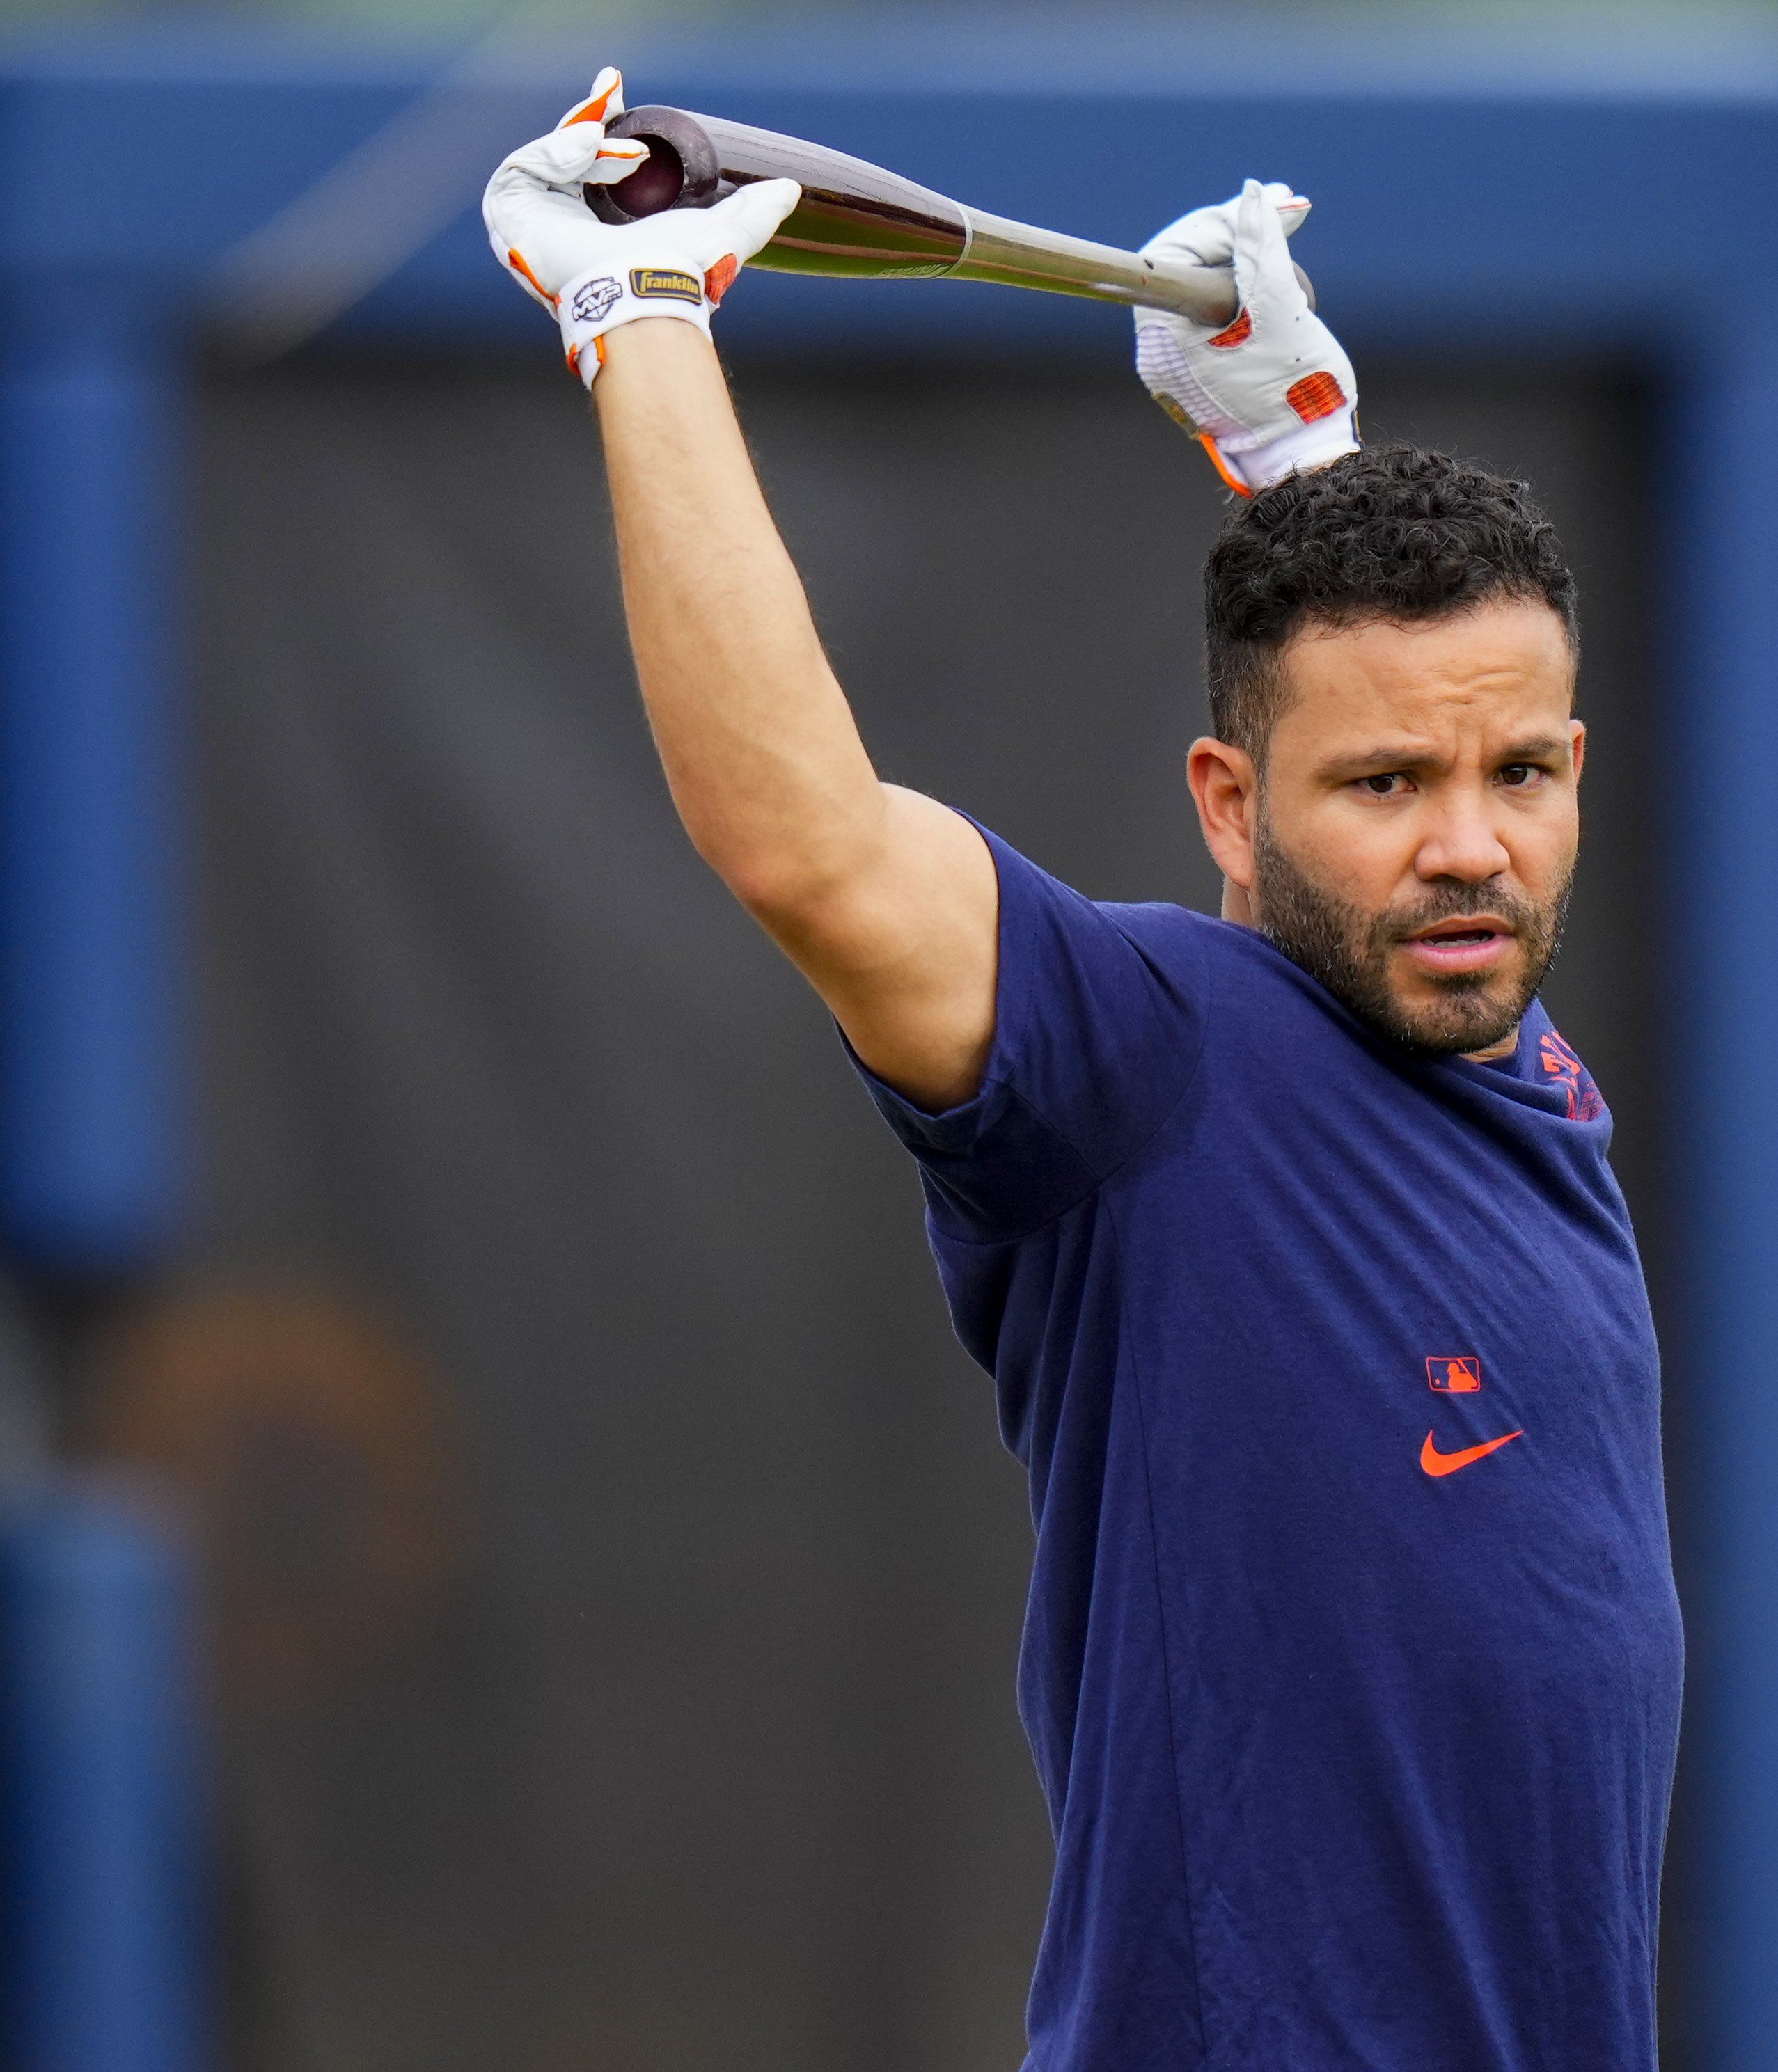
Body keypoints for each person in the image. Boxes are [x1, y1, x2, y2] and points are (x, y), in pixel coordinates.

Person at [484, 70, 1683, 2072]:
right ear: (1227, 809)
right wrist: (642, 327)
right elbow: (802, 837)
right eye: (1383, 786)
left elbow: (1402, 704)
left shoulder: (1502, 1056)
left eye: (1521, 773)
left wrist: (1298, 456)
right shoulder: (1151, 1067)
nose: (1469, 840)